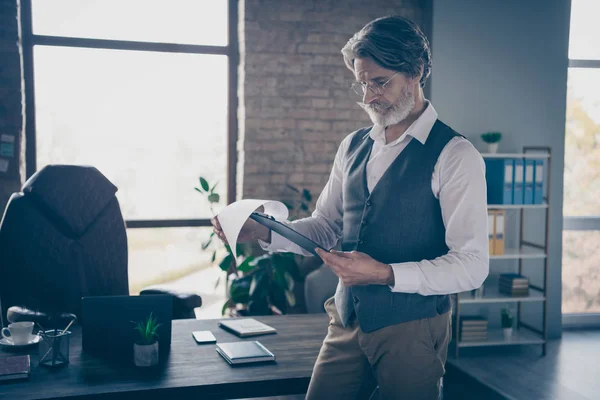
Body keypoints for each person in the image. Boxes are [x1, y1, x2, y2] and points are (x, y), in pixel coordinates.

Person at [212, 15, 489, 400]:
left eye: (380, 82)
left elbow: (473, 264)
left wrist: (385, 274)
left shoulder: (456, 156)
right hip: (345, 319)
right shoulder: (353, 145)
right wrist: (264, 230)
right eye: (362, 83)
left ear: (416, 71)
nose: (368, 96)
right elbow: (326, 227)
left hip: (412, 329)